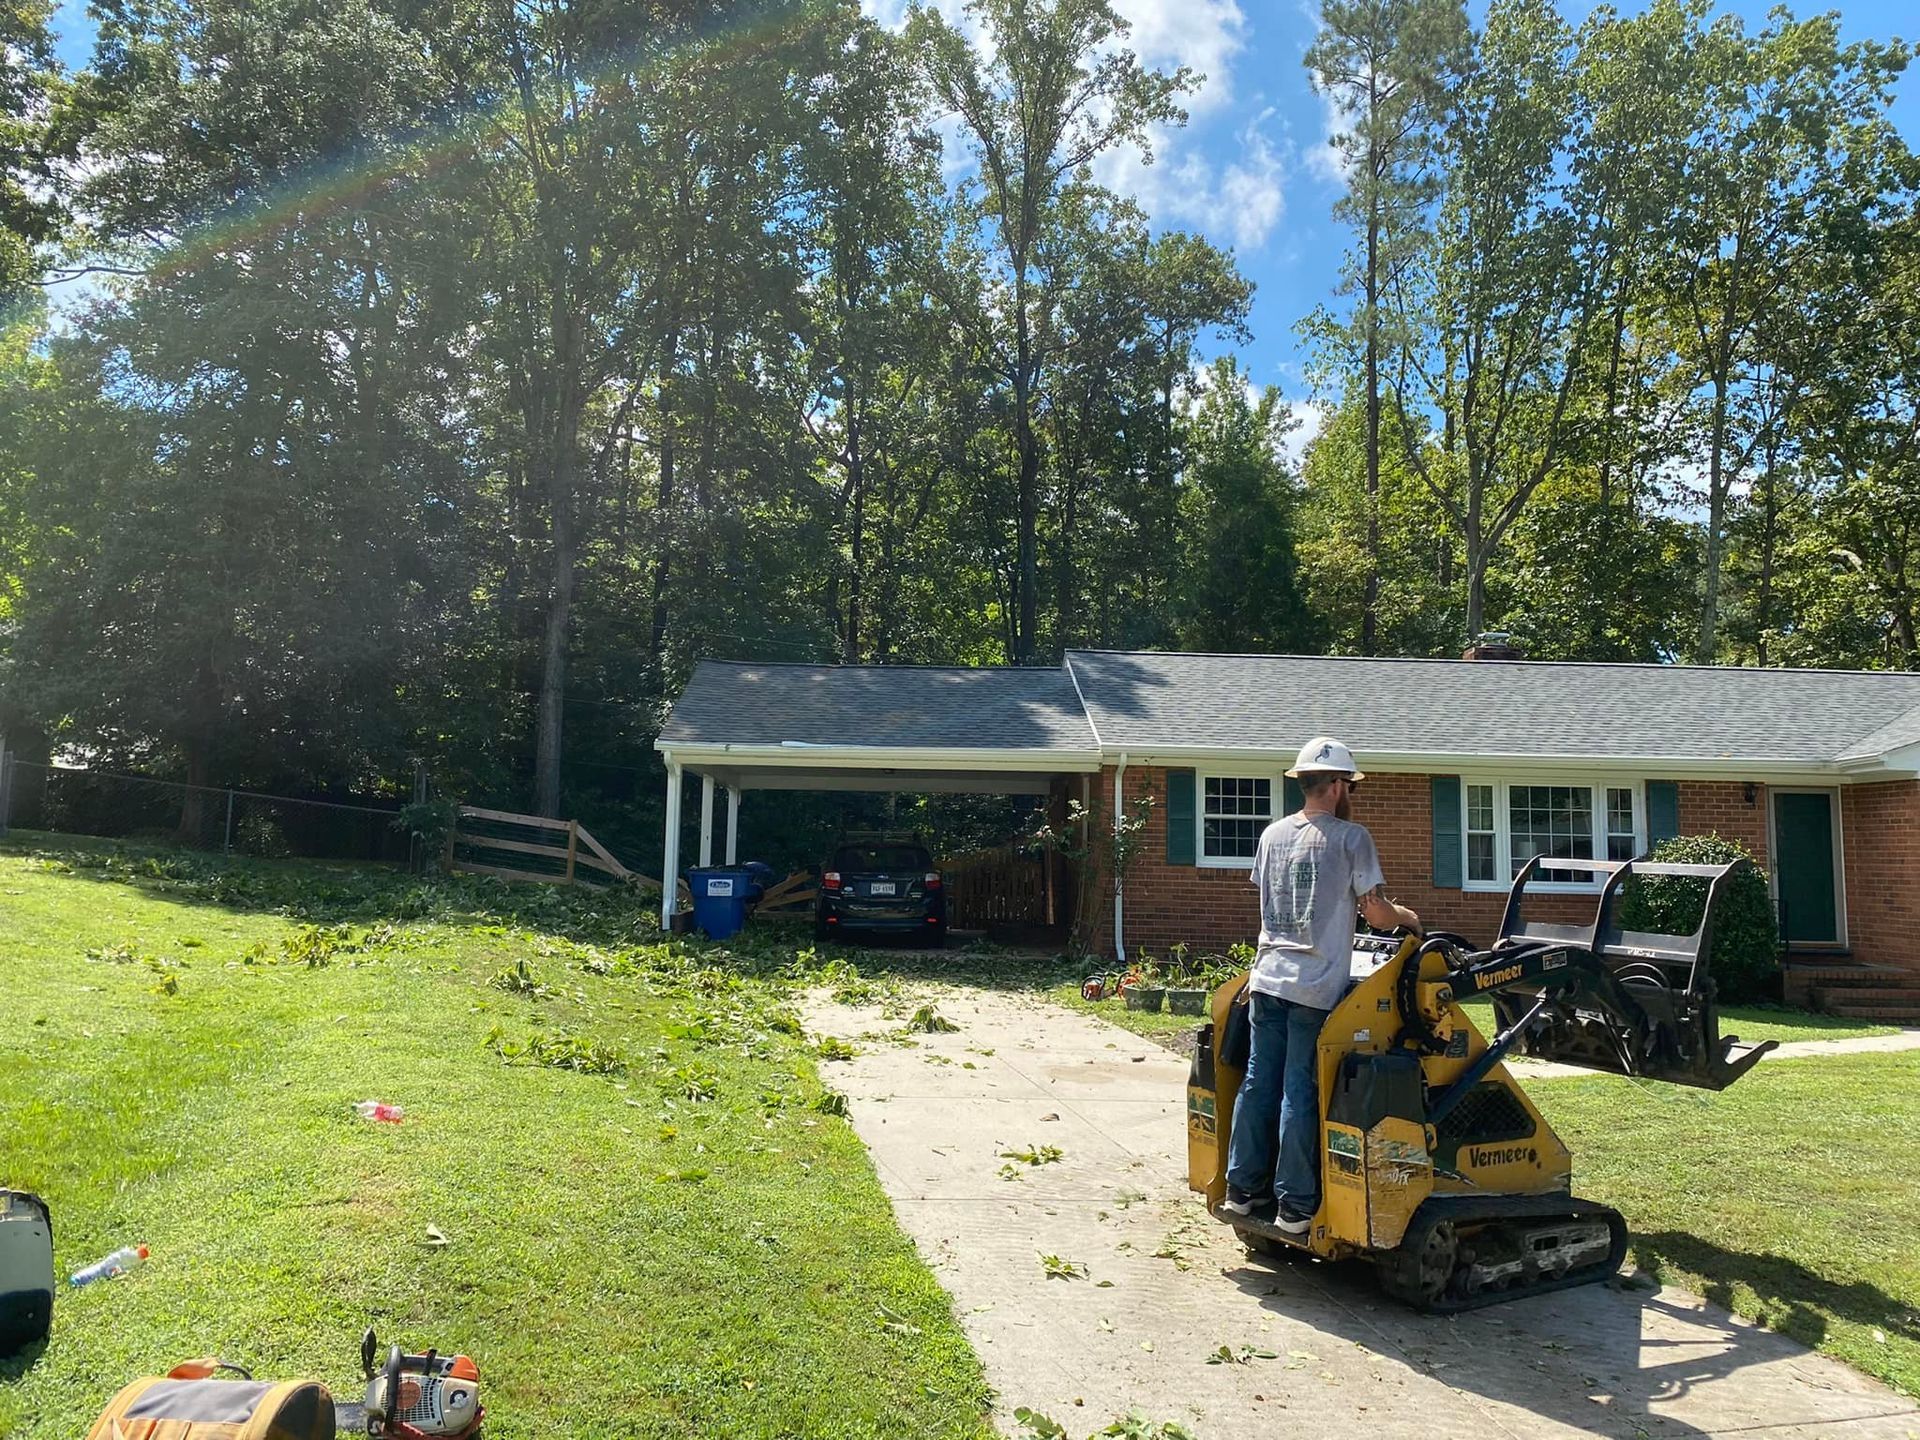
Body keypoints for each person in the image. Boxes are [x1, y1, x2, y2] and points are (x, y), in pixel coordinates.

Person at [1222, 736, 1421, 1232]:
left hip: (1267, 979)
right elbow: (1376, 915)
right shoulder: (1352, 838)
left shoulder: (1272, 835)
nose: (1350, 792)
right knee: (1299, 1089)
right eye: (1349, 784)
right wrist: (1408, 917)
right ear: (1335, 785)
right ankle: (1294, 1205)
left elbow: (1275, 900)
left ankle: (1241, 1190)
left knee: (1258, 1082)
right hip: (1313, 988)